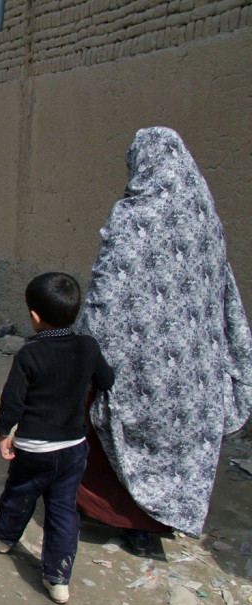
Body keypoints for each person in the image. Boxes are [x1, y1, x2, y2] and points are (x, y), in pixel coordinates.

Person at [76, 127, 252, 552]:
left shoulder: (133, 215)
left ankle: (125, 521)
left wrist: (83, 343)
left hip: (137, 363)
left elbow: (108, 291)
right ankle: (158, 521)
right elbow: (221, 291)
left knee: (109, 431)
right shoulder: (206, 219)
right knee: (170, 445)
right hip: (194, 366)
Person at [0, 273, 115, 605]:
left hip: (33, 448)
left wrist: (4, 434)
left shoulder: (29, 354)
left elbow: (13, 400)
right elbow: (107, 380)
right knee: (63, 510)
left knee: (19, 494)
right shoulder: (88, 347)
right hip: (73, 447)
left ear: (34, 317)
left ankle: (4, 537)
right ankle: (58, 578)